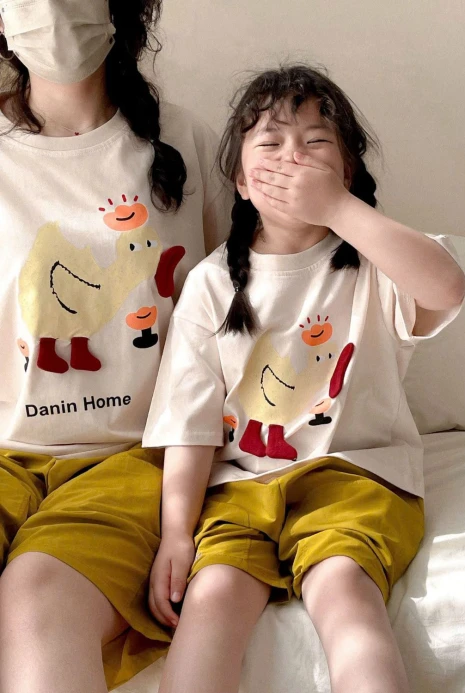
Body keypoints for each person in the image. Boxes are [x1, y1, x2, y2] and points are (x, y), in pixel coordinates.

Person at [143, 64, 465, 693]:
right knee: (211, 603)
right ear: (242, 182)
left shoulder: (374, 264)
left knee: (346, 596)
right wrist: (176, 532)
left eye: (316, 141)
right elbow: (189, 422)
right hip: (242, 492)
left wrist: (341, 209)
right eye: (270, 143)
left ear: (346, 171)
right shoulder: (211, 285)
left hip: (355, 480)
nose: (293, 156)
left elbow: (447, 289)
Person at [0, 1, 229, 691]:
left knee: (38, 596)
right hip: (7, 455)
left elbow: (245, 310)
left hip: (132, 459)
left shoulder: (183, 142)